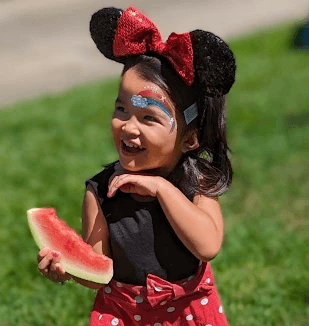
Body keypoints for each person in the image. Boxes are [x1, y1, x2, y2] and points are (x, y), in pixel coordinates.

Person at [37, 6, 236, 326]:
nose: (129, 127)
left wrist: (161, 188)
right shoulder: (102, 191)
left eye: (149, 118)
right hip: (126, 315)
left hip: (187, 312)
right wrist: (66, 269)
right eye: (122, 109)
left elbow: (208, 245)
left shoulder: (195, 181)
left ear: (190, 139)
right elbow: (99, 273)